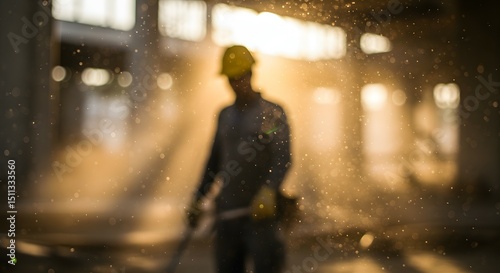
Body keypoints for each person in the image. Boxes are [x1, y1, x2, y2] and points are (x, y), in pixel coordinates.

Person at [187, 45, 292, 273]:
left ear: (251, 74)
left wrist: (269, 190)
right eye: (231, 79)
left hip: (261, 216)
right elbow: (214, 162)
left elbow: (282, 157)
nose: (235, 84)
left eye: (239, 77)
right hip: (228, 215)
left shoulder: (272, 114)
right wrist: (198, 198)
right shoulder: (224, 115)